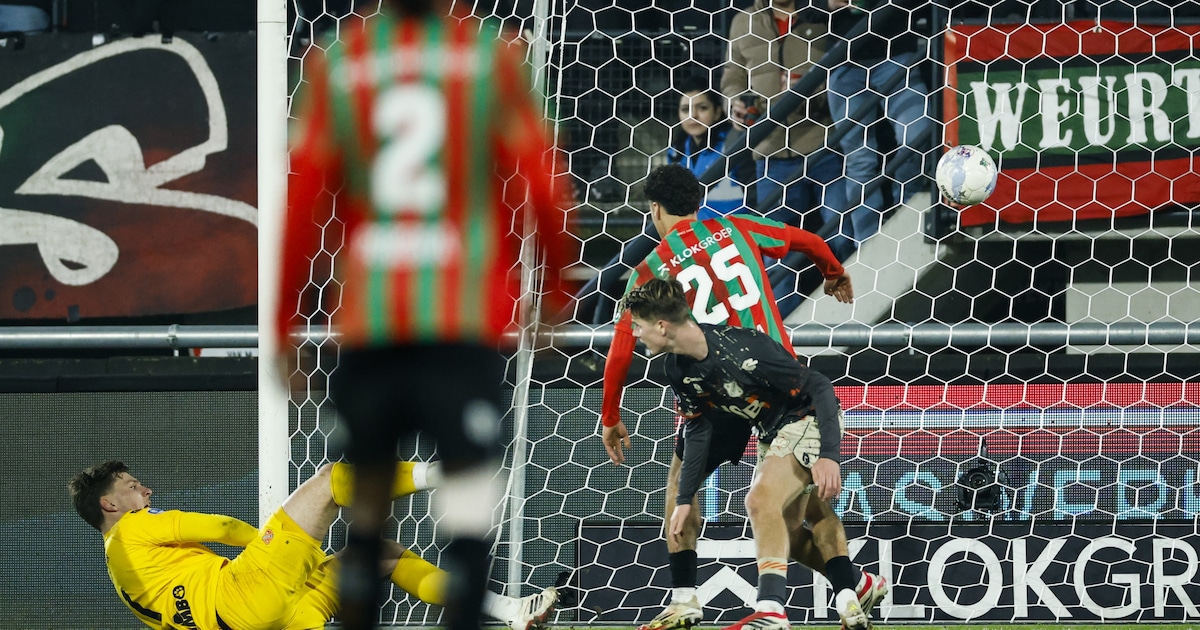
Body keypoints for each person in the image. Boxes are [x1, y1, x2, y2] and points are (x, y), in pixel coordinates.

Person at [278, 0, 575, 628]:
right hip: (461, 322)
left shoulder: (337, 59)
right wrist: (555, 291)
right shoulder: (492, 54)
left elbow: (303, 199)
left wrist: (287, 320)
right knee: (467, 494)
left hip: (370, 322)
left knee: (366, 504)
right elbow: (542, 178)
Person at [599, 164, 884, 630]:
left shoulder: (648, 272)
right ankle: (849, 587)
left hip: (718, 391)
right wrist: (833, 272)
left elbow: (620, 351)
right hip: (774, 380)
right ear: (697, 203)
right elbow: (808, 240)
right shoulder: (737, 227)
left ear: (655, 210)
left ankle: (686, 597)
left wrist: (611, 416)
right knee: (797, 507)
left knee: (685, 486)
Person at [620, 277, 873, 630]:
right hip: (770, 430)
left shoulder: (745, 348)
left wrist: (830, 455)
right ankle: (857, 586)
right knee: (788, 531)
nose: (635, 333)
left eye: (638, 325)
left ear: (662, 326)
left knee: (759, 500)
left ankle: (771, 609)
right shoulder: (677, 368)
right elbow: (698, 429)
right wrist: (684, 498)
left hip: (807, 418)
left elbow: (818, 384)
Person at [68, 460, 558, 630]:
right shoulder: (132, 528)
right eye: (132, 486)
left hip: (265, 619)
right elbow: (221, 526)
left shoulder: (121, 576)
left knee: (382, 556)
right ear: (109, 504)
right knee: (327, 483)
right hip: (245, 592)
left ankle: (509, 611)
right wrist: (273, 545)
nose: (145, 490)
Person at [721, 0, 852, 259]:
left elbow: (845, 69)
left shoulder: (822, 13)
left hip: (823, 143)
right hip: (771, 152)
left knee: (842, 239)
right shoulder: (744, 21)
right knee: (777, 254)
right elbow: (732, 75)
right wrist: (733, 103)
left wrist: (810, 93)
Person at [825, 0, 934, 249]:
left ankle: (906, 222)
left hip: (896, 50)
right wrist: (827, 3)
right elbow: (802, 7)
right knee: (859, 158)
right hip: (845, 59)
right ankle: (868, 246)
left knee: (915, 138)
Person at [667, 75, 756, 220]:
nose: (693, 115)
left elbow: (755, 196)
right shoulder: (676, 151)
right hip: (695, 232)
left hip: (736, 230)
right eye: (685, 109)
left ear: (717, 112)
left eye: (702, 108)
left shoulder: (735, 144)